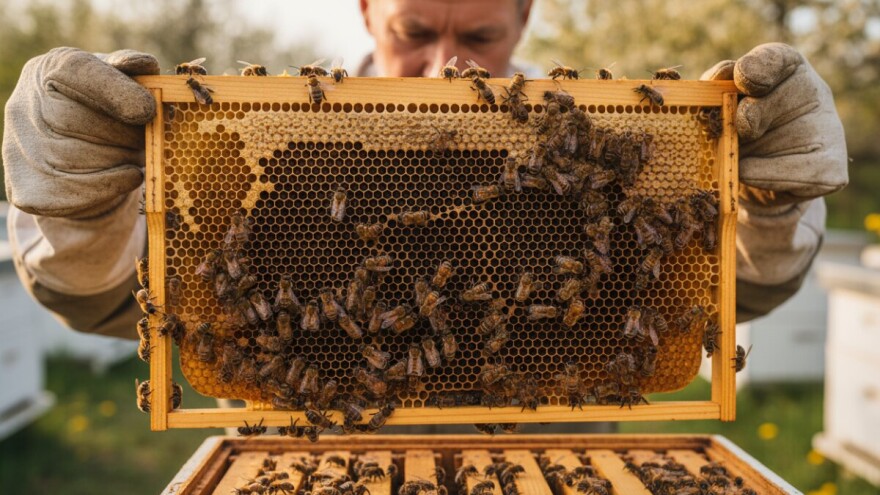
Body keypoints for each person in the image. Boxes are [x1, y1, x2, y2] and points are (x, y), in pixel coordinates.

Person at [4, 0, 847, 339]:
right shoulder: (244, 149)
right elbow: (110, 303)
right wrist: (83, 216)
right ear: (368, 10)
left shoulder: (598, 156)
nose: (448, 66)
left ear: (522, 18)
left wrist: (767, 205)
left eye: (480, 38)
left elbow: (727, 289)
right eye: (414, 30)